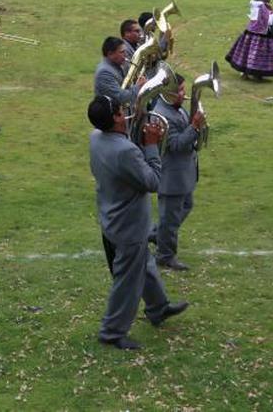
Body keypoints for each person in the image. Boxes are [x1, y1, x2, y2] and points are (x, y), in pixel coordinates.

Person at [87, 95, 189, 350]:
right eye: (121, 112)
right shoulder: (126, 151)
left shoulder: (96, 137)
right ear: (115, 119)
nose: (125, 113)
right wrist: (152, 145)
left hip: (111, 218)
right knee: (127, 281)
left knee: (145, 265)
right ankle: (111, 332)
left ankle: (158, 307)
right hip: (129, 226)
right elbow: (153, 181)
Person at [154, 74, 205, 271]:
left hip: (183, 174)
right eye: (181, 91)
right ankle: (165, 256)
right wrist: (194, 126)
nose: (184, 94)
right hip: (172, 177)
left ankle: (157, 235)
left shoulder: (176, 109)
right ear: (168, 92)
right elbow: (175, 145)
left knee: (185, 206)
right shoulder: (163, 115)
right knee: (171, 219)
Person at [225, 0, 273, 79]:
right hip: (261, 34)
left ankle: (246, 72)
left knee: (247, 52)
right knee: (258, 54)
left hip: (251, 32)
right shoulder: (262, 6)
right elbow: (267, 20)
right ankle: (256, 73)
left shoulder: (256, 4)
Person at [94, 37, 143, 107]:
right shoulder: (104, 72)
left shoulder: (116, 65)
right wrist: (138, 87)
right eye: (122, 52)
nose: (125, 54)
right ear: (110, 54)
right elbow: (121, 97)